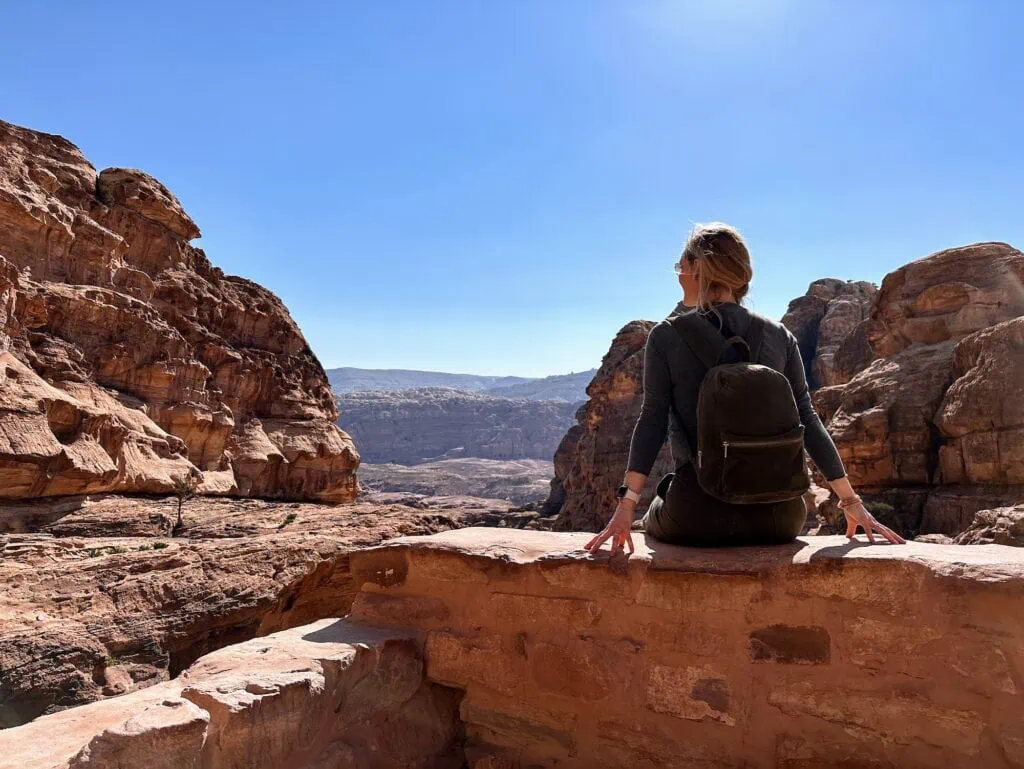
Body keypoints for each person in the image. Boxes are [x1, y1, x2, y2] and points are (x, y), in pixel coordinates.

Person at [585, 222, 905, 556]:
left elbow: (651, 422)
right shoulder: (780, 336)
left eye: (682, 266)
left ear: (699, 269)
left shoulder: (667, 336)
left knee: (662, 500)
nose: (678, 275)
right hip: (781, 519)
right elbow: (808, 421)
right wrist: (851, 502)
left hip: (696, 518)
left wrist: (626, 507)